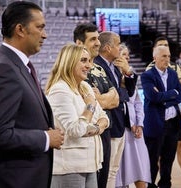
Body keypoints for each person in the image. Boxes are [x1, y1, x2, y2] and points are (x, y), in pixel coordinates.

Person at [0, 1, 64, 188]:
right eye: (40, 27)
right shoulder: (4, 69)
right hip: (13, 180)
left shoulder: (17, 66)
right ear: (20, 30)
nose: (45, 35)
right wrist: (46, 138)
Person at [45, 44, 109, 188]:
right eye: (83, 61)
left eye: (89, 61)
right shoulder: (59, 90)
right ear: (70, 62)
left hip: (91, 164)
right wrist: (90, 107)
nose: (89, 66)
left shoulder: (85, 87)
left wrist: (95, 128)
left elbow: (105, 117)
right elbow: (75, 130)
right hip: (69, 167)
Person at [145, 36, 181, 187]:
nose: (167, 55)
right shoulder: (150, 70)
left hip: (175, 117)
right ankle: (152, 182)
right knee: (157, 155)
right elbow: (155, 96)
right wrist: (171, 93)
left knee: (179, 147)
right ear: (155, 53)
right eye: (162, 47)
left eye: (167, 47)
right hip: (158, 119)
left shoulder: (174, 68)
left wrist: (166, 94)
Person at [73, 23, 119, 188]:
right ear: (79, 43)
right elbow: (87, 101)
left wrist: (101, 99)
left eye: (98, 39)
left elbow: (116, 99)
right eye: (93, 39)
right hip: (88, 133)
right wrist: (103, 99)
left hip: (105, 130)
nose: (98, 43)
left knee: (103, 181)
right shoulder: (74, 68)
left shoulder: (99, 67)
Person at [95, 31, 138, 188]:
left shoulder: (116, 65)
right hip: (110, 125)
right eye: (118, 44)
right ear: (107, 47)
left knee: (113, 170)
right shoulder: (97, 65)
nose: (120, 48)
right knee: (107, 172)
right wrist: (119, 93)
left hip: (119, 124)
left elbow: (128, 92)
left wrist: (128, 72)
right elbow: (113, 94)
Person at [141, 45, 181, 188]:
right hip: (155, 125)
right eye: (164, 56)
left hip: (172, 124)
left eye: (169, 56)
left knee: (168, 159)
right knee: (152, 161)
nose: (167, 59)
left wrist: (163, 99)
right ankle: (150, 185)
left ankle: (165, 184)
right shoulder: (147, 76)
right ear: (155, 58)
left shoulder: (172, 73)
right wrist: (172, 94)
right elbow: (153, 96)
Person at [115, 44, 151, 188]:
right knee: (120, 173)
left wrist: (140, 124)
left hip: (135, 132)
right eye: (124, 55)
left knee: (139, 169)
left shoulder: (130, 76)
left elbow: (137, 102)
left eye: (128, 55)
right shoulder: (113, 77)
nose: (128, 58)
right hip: (122, 128)